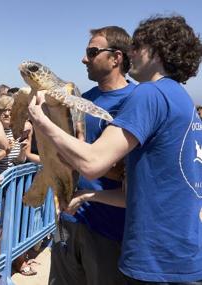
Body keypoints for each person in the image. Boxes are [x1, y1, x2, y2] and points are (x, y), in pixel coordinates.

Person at [28, 15, 202, 284]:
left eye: (138, 46)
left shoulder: (149, 94)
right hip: (179, 253)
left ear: (156, 51)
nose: (131, 52)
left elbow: (92, 163)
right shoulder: (182, 100)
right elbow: (138, 190)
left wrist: (40, 121)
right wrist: (88, 196)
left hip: (153, 258)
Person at [48, 25, 135, 285]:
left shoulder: (135, 103)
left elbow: (125, 171)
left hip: (108, 227)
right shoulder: (82, 100)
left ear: (116, 57)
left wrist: (84, 160)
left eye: (92, 52)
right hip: (69, 218)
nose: (84, 58)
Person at [0, 96, 28, 172]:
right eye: (4, 110)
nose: (7, 114)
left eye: (10, 110)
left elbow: (19, 161)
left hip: (13, 179)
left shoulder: (17, 131)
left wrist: (23, 150)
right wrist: (6, 151)